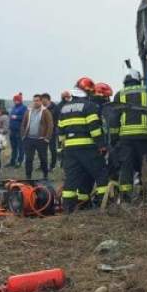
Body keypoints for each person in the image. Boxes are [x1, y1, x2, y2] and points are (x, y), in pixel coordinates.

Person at [57, 77, 107, 213]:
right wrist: (102, 144)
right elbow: (95, 129)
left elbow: (60, 133)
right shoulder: (89, 106)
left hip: (69, 150)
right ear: (87, 92)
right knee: (101, 174)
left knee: (72, 180)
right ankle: (105, 206)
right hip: (87, 148)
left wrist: (62, 151)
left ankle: (68, 209)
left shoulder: (64, 109)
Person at [114, 71, 147, 203]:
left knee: (126, 167)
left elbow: (114, 119)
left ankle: (126, 198)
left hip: (126, 139)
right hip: (144, 136)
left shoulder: (119, 95)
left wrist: (115, 138)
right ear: (138, 79)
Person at [92, 82, 117, 206]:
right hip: (105, 144)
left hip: (93, 145)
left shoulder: (91, 105)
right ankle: (104, 198)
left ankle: (99, 197)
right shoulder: (105, 108)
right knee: (106, 171)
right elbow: (110, 126)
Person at [21, 93, 53, 180]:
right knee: (28, 159)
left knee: (43, 158)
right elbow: (23, 124)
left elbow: (50, 125)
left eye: (37, 101)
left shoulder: (46, 111)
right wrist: (23, 136)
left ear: (41, 101)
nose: (35, 102)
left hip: (41, 140)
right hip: (29, 139)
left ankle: (45, 175)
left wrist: (47, 138)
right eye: (34, 101)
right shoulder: (28, 111)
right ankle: (28, 176)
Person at [8, 94, 27, 168]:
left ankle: (20, 161)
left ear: (20, 100)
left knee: (20, 147)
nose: (15, 101)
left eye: (17, 100)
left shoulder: (23, 108)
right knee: (14, 147)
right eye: (14, 100)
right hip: (12, 130)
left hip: (19, 131)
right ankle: (12, 161)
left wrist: (16, 117)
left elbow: (25, 117)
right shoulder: (13, 108)